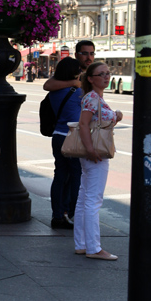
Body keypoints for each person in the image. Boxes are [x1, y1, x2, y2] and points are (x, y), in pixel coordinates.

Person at [73, 61, 123, 260]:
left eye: (108, 73)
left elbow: (94, 122)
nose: (106, 77)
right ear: (91, 78)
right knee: (93, 200)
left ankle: (82, 244)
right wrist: (91, 150)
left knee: (84, 198)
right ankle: (94, 248)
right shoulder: (93, 98)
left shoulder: (95, 98)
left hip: (92, 153)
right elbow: (83, 124)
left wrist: (115, 116)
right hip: (96, 154)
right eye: (101, 74)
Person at [48, 57, 83, 230]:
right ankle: (72, 214)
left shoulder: (55, 90)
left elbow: (48, 85)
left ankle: (57, 215)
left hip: (58, 136)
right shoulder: (78, 92)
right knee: (77, 175)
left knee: (60, 176)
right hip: (73, 136)